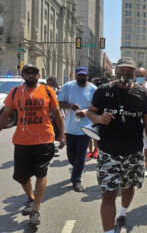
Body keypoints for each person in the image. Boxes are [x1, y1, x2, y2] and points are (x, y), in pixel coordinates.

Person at [87, 57, 147, 233]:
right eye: (122, 70)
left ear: (134, 72)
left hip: (133, 152)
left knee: (128, 186)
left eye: (129, 71)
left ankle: (123, 212)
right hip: (108, 152)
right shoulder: (103, 91)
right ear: (116, 71)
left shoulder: (142, 93)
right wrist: (99, 118)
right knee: (108, 194)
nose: (125, 74)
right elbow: (90, 112)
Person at [0, 64, 65, 226]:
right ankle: (31, 197)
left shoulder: (47, 91)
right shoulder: (15, 92)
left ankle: (35, 210)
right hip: (22, 140)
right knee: (22, 176)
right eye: (27, 73)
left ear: (38, 75)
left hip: (44, 139)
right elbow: (6, 114)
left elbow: (57, 114)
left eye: (34, 72)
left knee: (40, 173)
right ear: (23, 75)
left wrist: (62, 135)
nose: (31, 75)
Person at [58, 67, 97, 192]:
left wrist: (86, 111)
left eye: (84, 76)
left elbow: (97, 107)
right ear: (76, 75)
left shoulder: (93, 89)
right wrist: (70, 106)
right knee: (71, 155)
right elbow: (59, 103)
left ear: (88, 75)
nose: (81, 78)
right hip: (70, 127)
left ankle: (76, 180)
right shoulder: (67, 86)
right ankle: (77, 168)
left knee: (81, 155)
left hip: (85, 128)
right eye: (79, 75)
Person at [86, 77, 103, 159]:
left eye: (97, 81)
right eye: (94, 81)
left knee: (94, 134)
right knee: (89, 135)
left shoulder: (99, 90)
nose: (96, 82)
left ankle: (96, 150)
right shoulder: (89, 89)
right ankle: (90, 151)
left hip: (96, 115)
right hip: (89, 113)